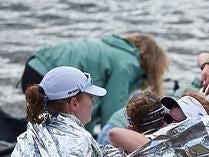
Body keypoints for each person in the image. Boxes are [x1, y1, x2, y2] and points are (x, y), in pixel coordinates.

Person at [20, 33, 169, 133]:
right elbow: (111, 111)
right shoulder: (127, 63)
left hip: (35, 65)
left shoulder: (112, 47)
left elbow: (87, 104)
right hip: (47, 74)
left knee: (48, 123)